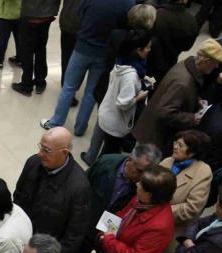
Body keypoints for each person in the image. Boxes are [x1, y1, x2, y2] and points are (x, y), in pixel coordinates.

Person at [71, 144, 162, 253]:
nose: (143, 176)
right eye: (140, 171)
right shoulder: (107, 162)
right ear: (131, 160)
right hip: (88, 222)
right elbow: (83, 184)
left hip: (113, 233)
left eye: (147, 172)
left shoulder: (145, 186)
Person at [40, 0, 134, 137]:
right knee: (90, 92)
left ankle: (55, 122)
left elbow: (78, 16)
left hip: (83, 48)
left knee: (69, 87)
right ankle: (80, 128)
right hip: (104, 52)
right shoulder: (127, 3)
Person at [150, 130, 214, 253]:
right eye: (176, 142)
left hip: (173, 230)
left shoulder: (203, 173)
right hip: (152, 225)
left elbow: (192, 208)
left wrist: (161, 212)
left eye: (181, 145)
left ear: (192, 152)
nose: (175, 147)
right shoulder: (168, 162)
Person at [133, 39, 222, 157]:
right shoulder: (183, 83)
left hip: (150, 131)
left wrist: (196, 100)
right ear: (207, 61)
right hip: (154, 139)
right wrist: (192, 118)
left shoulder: (186, 66)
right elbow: (165, 112)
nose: (216, 67)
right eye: (216, 63)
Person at [13, 127, 91, 253]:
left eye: (46, 150)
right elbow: (18, 197)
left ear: (64, 153)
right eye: (40, 147)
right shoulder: (33, 163)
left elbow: (74, 234)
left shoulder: (79, 187)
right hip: (22, 241)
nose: (39, 154)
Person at [83, 29, 152, 165]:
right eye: (148, 47)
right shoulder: (131, 76)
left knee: (97, 137)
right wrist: (140, 96)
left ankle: (90, 158)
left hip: (106, 111)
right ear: (139, 50)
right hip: (116, 122)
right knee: (108, 158)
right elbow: (123, 103)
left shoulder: (121, 62)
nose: (149, 50)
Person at [11, 0, 60, 96]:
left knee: (27, 51)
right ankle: (40, 82)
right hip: (47, 14)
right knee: (41, 49)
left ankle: (26, 85)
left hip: (29, 15)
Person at [146, 0, 199, 82]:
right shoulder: (192, 21)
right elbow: (187, 47)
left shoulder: (156, 14)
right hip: (171, 58)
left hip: (150, 57)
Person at [0, 0, 22, 69]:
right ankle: (20, 59)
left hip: (4, 14)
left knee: (2, 39)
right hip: (19, 13)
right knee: (19, 39)